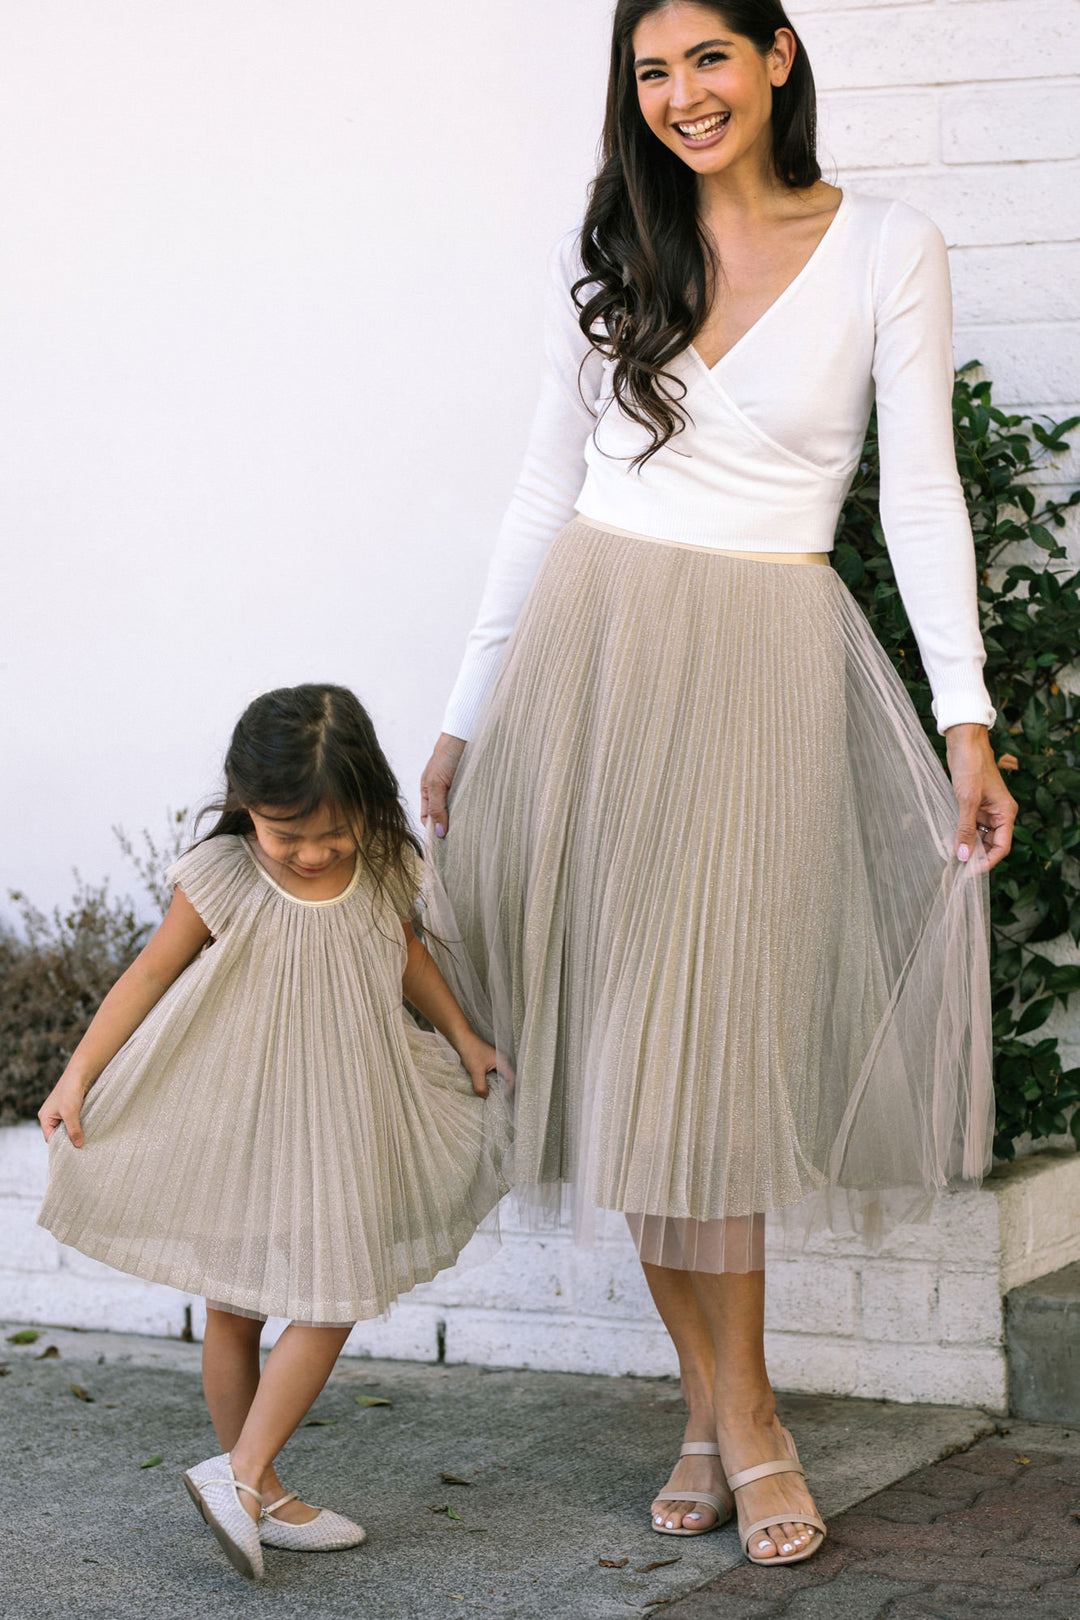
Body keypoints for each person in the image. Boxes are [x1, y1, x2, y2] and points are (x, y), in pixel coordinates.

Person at [420, 0, 1016, 1569]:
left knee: (711, 1054)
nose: (682, 95)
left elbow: (924, 493)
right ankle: (720, 1411)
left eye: (707, 58)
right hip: (594, 656)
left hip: (762, 664)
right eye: (651, 70)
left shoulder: (889, 239)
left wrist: (966, 716)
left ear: (778, 56)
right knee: (628, 1056)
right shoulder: (616, 240)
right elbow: (544, 486)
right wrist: (469, 715)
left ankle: (742, 1416)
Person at [38, 683, 510, 1583]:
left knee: (334, 1291)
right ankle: (257, 1482)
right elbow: (146, 976)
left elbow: (404, 953)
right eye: (284, 834)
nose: (309, 852)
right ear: (246, 807)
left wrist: (464, 1036)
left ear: (367, 802)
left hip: (346, 1110)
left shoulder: (381, 864)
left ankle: (243, 1478)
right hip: (240, 1108)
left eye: (327, 833)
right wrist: (77, 1074)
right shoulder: (223, 875)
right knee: (235, 1303)